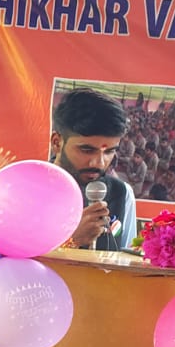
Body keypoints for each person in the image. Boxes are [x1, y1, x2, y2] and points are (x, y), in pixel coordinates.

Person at [50, 87, 137, 250]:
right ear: (57, 143)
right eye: (87, 150)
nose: (99, 163)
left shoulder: (122, 193)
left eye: (109, 151)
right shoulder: (28, 189)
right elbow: (10, 259)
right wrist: (72, 240)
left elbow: (126, 259)